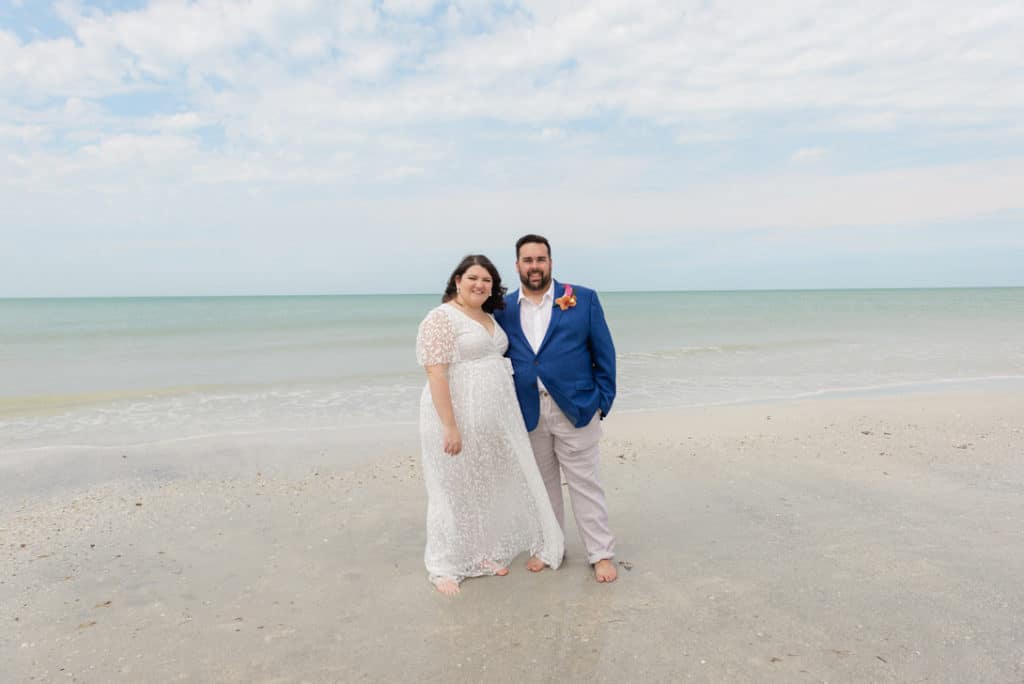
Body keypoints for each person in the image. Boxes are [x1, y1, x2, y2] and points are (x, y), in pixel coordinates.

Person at [415, 254, 564, 595]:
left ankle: (480, 555)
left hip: (491, 417)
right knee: (450, 489)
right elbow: (435, 372)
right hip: (454, 416)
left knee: (482, 484)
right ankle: (444, 566)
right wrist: (450, 426)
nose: (480, 285)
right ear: (458, 281)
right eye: (473, 278)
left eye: (487, 280)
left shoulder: (487, 316)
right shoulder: (440, 318)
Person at [493, 234, 619, 583]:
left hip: (576, 408)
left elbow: (605, 356)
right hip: (529, 412)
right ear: (517, 265)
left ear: (550, 262)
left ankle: (601, 553)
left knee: (585, 484)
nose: (534, 266)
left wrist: (601, 403)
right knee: (543, 485)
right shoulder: (503, 308)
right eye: (527, 260)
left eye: (541, 259)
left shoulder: (583, 300)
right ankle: (551, 548)